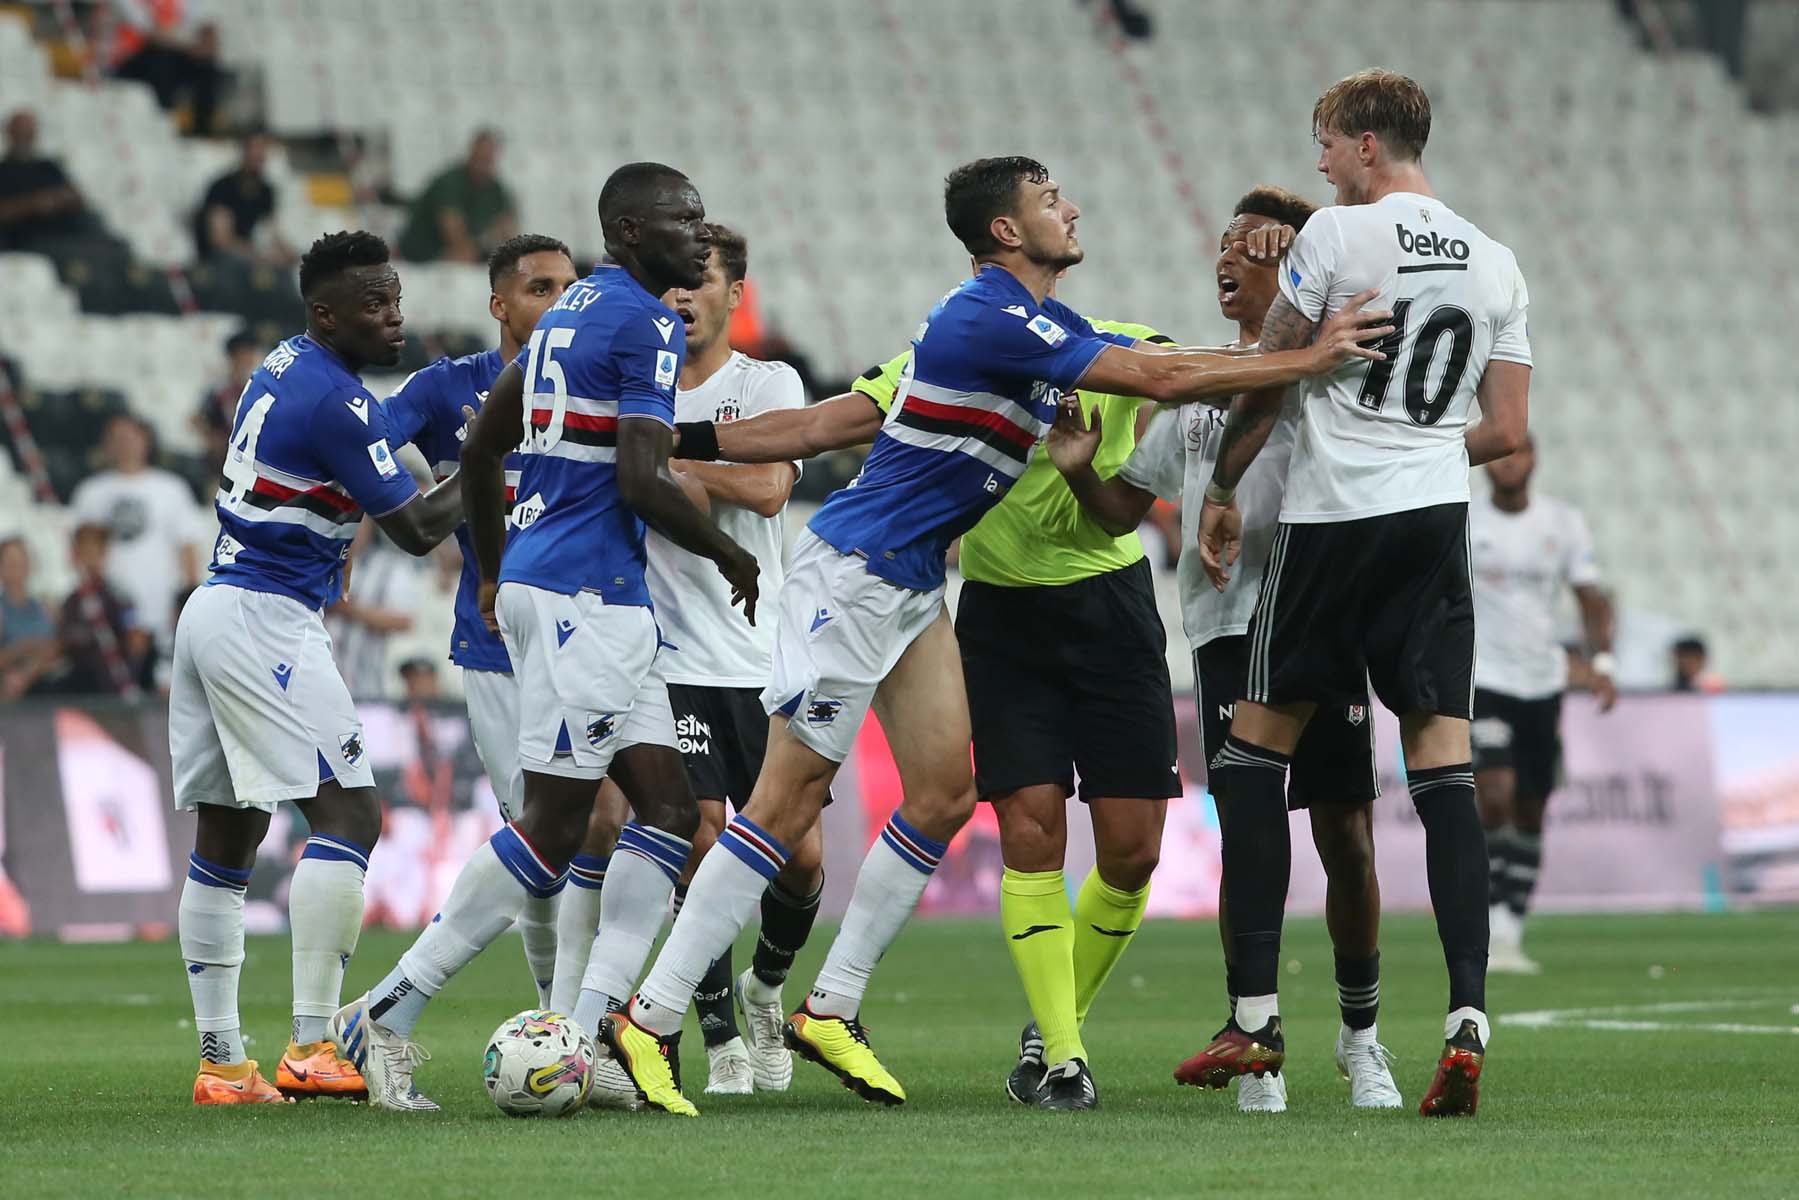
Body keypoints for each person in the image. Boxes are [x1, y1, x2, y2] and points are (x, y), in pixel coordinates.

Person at [610, 155, 1391, 1115]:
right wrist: (1309, 356)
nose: (1072, 207)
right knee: (783, 804)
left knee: (943, 796)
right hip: (852, 573)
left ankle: (832, 1005)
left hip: (911, 584)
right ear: (1009, 231)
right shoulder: (987, 314)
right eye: (1050, 200)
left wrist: (686, 438)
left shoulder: (1036, 325)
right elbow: (1159, 375)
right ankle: (648, 1018)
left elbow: (834, 422)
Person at [331, 163, 759, 1113]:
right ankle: (385, 1013)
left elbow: (483, 446)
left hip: (580, 592)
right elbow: (643, 480)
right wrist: (730, 555)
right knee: (557, 826)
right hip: (582, 597)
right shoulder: (643, 323)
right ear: (631, 230)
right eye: (683, 219)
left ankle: (591, 1033)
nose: (700, 233)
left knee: (667, 811)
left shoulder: (569, 315)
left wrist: (493, 570)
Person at [1189, 70, 1531, 1118]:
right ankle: (1465, 1020)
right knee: (1442, 771)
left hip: (1332, 523)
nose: (1321, 162)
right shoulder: (1494, 258)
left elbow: (1267, 380)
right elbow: (1509, 430)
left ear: (1366, 146)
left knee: (1250, 753)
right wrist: (1420, 457)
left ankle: (1254, 1020)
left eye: (1327, 143)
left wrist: (1220, 490)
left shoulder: (1335, 237)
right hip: (1433, 530)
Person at [1046, 186, 1400, 1114]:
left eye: (1251, 244)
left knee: (1345, 834)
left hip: (1319, 619)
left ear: (1294, 264)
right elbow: (1124, 510)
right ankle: (1257, 1040)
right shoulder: (1199, 385)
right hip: (1223, 630)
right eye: (1222, 244)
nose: (1226, 258)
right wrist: (1080, 473)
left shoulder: (1327, 371)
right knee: (1246, 826)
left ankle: (1361, 1037)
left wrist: (1316, 266)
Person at [852, 286, 1179, 1111]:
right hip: (1001, 618)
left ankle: (1053, 1022)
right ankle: (1063, 1055)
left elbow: (1189, 378)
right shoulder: (948, 356)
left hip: (1111, 610)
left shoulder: (1118, 347)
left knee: (1133, 850)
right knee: (1031, 828)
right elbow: (842, 419)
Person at [169, 230, 466, 1105]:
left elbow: (353, 450)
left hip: (216, 606)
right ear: (326, 314)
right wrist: (489, 455)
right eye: (374, 304)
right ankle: (310, 1043)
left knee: (227, 837)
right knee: (350, 814)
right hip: (265, 616)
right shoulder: (336, 400)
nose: (395, 317)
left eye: (397, 299)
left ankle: (223, 1063)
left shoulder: (285, 363)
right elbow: (417, 531)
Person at [547, 223, 824, 1098]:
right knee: (697, 838)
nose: (685, 294)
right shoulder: (640, 374)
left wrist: (677, 467)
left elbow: (771, 489)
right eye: (677, 281)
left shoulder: (767, 382)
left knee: (801, 859)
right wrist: (678, 475)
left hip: (759, 652)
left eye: (704, 281)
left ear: (733, 294)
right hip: (664, 655)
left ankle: (765, 989)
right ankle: (717, 1036)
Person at [378, 231, 579, 1003]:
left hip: (598, 633)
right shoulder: (446, 389)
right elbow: (365, 443)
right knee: (538, 835)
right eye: (540, 289)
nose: (559, 303)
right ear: (500, 304)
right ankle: (555, 1012)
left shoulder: (601, 382)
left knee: (610, 833)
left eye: (569, 288)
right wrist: (408, 506)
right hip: (497, 643)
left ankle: (573, 1013)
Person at [1471, 435, 1615, 974]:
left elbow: (1592, 600)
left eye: (1519, 453)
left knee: (1531, 808)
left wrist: (1602, 664)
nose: (1509, 463)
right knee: (1494, 794)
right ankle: (1488, 919)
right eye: (1502, 454)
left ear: (1533, 460)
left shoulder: (1563, 521)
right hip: (1484, 677)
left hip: (1542, 682)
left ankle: (1510, 928)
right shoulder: (1466, 517)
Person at [69, 413, 210, 659]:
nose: (124, 444)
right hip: (110, 609)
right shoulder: (90, 492)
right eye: (116, 438)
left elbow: (187, 545)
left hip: (160, 604)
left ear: (145, 440)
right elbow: (79, 549)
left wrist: (186, 600)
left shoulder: (171, 489)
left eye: (130, 437)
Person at [55, 522, 152, 696]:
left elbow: (136, 639)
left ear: (104, 555)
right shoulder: (71, 602)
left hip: (118, 684)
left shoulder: (119, 595)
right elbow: (65, 643)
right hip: (84, 689)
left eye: (94, 552)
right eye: (85, 553)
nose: (90, 560)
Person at [398, 130, 518, 264]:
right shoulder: (450, 183)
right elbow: (456, 238)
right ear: (472, 153)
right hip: (419, 256)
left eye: (488, 158)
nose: (483, 162)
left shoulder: (496, 190)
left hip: (453, 257)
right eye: (480, 156)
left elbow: (509, 232)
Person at [0, 109, 101, 252]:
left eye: (29, 132)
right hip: (27, 237)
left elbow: (77, 198)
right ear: (10, 133)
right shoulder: (3, 170)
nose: (25, 137)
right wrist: (35, 203)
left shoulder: (48, 166)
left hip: (65, 230)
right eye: (20, 132)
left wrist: (59, 199)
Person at [194, 133, 291, 265]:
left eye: (261, 153)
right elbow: (220, 240)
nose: (257, 157)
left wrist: (285, 252)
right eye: (253, 152)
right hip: (217, 259)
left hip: (247, 255)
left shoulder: (266, 191)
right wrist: (259, 255)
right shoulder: (223, 187)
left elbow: (272, 232)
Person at [0, 535, 61, 700]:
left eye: (21, 561)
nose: (16, 568)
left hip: (45, 685)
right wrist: (24, 647)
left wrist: (29, 672)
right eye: (10, 563)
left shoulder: (47, 608)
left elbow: (56, 649)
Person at [195, 331, 264, 474]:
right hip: (225, 456)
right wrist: (212, 439)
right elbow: (197, 418)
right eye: (243, 354)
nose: (248, 359)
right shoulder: (219, 388)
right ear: (233, 357)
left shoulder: (262, 386)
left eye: (251, 353)